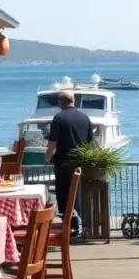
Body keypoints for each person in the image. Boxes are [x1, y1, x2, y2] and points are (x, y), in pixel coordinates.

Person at [45, 90, 92, 238]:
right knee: (78, 194)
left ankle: (71, 226)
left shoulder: (59, 118)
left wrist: (48, 157)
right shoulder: (85, 118)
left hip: (63, 163)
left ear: (60, 102)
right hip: (81, 163)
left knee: (65, 195)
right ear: (74, 101)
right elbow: (90, 142)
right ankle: (80, 226)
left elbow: (53, 142)